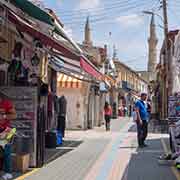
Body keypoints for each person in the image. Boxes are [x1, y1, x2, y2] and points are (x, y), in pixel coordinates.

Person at [0, 93, 16, 180]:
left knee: (6, 152)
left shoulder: (7, 103)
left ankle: (8, 172)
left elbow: (14, 115)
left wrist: (4, 116)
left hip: (6, 130)